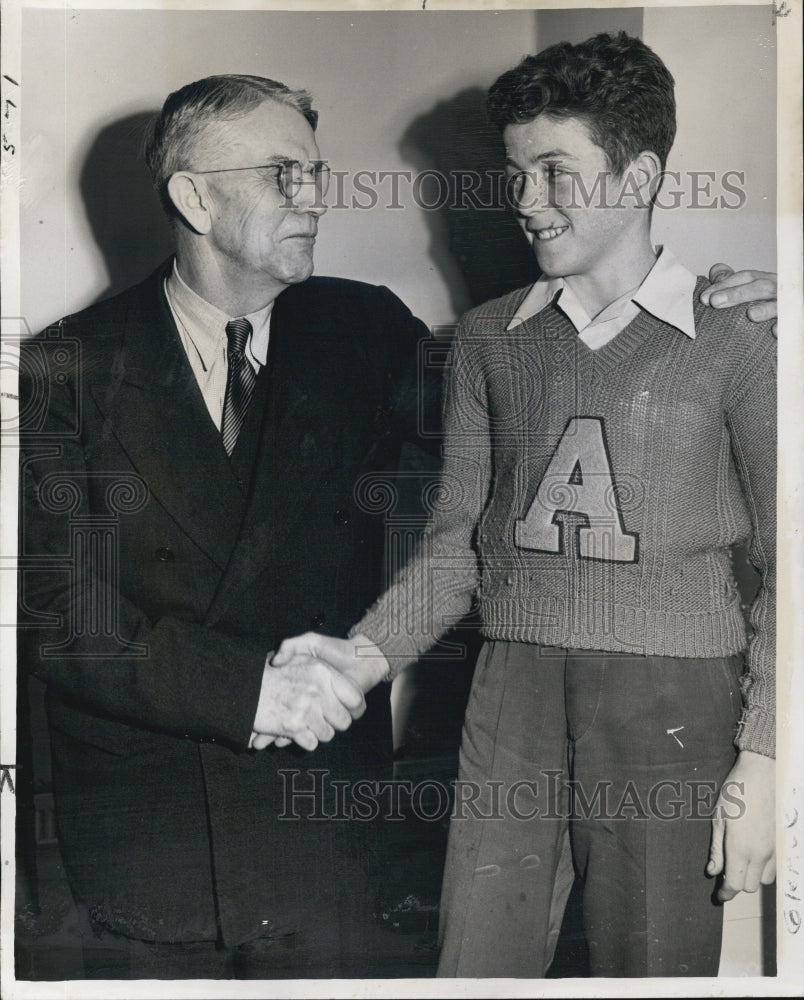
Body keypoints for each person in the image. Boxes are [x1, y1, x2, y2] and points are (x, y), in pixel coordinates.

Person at [273, 34, 777, 979]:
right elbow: (458, 541)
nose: (526, 201)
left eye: (556, 171)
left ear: (639, 175)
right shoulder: (486, 343)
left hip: (677, 698)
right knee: (476, 959)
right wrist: (366, 651)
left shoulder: (740, 337)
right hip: (512, 692)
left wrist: (767, 756)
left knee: (653, 965)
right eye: (515, 173)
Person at [17, 74, 443, 979]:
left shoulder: (366, 330)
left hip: (327, 833)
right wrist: (243, 688)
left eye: (318, 173)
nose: (316, 197)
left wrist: (714, 309)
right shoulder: (66, 366)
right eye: (285, 173)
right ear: (193, 195)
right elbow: (57, 608)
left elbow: (528, 412)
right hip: (150, 847)